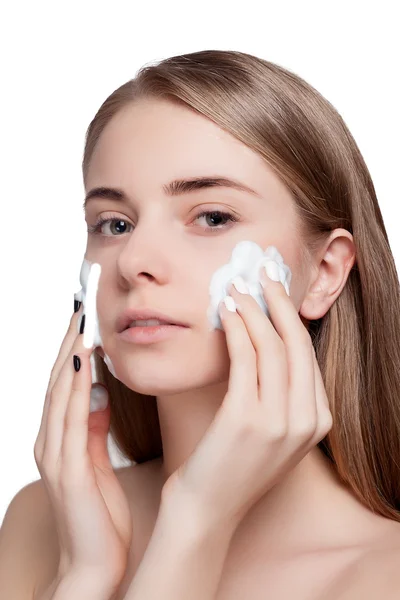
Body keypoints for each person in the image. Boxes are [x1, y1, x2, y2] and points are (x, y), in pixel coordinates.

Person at [1, 49, 400, 599]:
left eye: (212, 217)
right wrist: (82, 575)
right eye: (113, 223)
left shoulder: (385, 573)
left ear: (325, 272)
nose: (134, 259)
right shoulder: (44, 521)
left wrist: (194, 522)